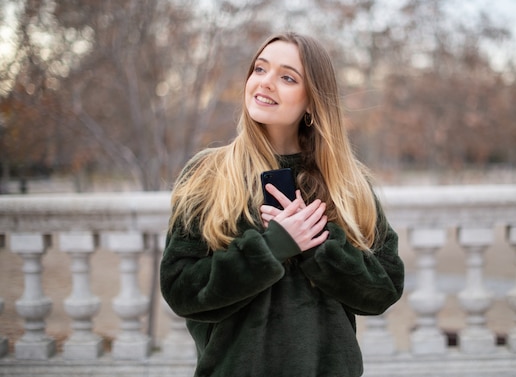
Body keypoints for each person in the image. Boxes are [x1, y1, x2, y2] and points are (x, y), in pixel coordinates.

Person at [160, 32, 405, 377]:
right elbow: (180, 290)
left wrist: (318, 245)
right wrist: (272, 247)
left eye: (287, 77)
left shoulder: (347, 183)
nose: (266, 83)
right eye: (260, 69)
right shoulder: (208, 173)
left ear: (312, 101)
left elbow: (384, 288)